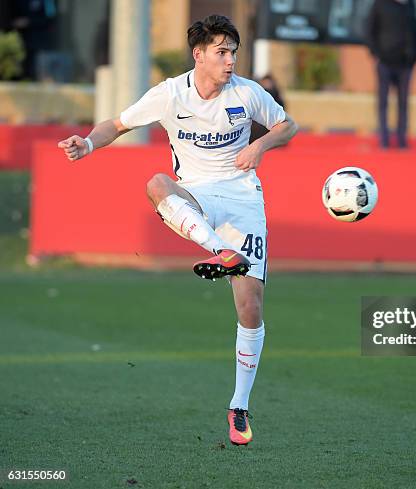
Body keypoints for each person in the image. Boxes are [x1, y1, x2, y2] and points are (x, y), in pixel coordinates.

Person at [57, 14, 298, 446]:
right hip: (197, 195)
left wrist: (260, 145)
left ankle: (239, 404)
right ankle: (221, 251)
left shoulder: (247, 93)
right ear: (199, 54)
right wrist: (87, 143)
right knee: (155, 184)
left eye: (233, 53)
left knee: (251, 307)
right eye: (222, 53)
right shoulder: (170, 95)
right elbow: (117, 124)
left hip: (244, 199)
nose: (230, 62)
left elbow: (288, 125)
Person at [364, 0, 416, 149]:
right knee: (383, 102)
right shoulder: (380, 4)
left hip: (405, 63)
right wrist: (376, 54)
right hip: (385, 62)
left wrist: (414, 57)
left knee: (403, 103)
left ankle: (402, 140)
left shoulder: (410, 5)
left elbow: (414, 31)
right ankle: (384, 140)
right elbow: (370, 30)